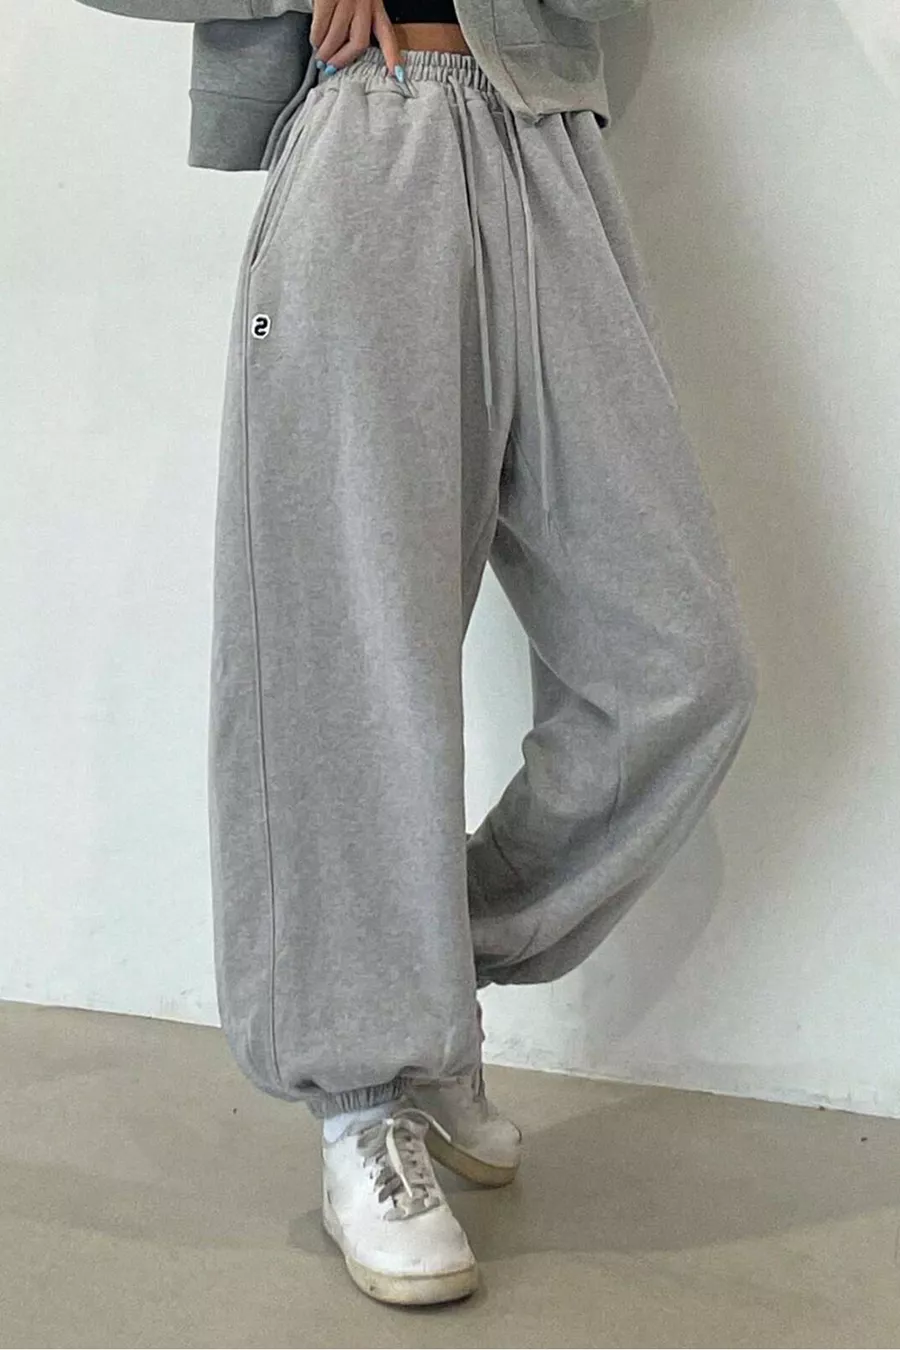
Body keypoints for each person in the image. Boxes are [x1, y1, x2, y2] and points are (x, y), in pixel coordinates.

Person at [76, 0, 759, 1307]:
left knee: (681, 666)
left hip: (549, 145)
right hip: (362, 137)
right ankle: (362, 1089)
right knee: (349, 663)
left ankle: (409, 974)